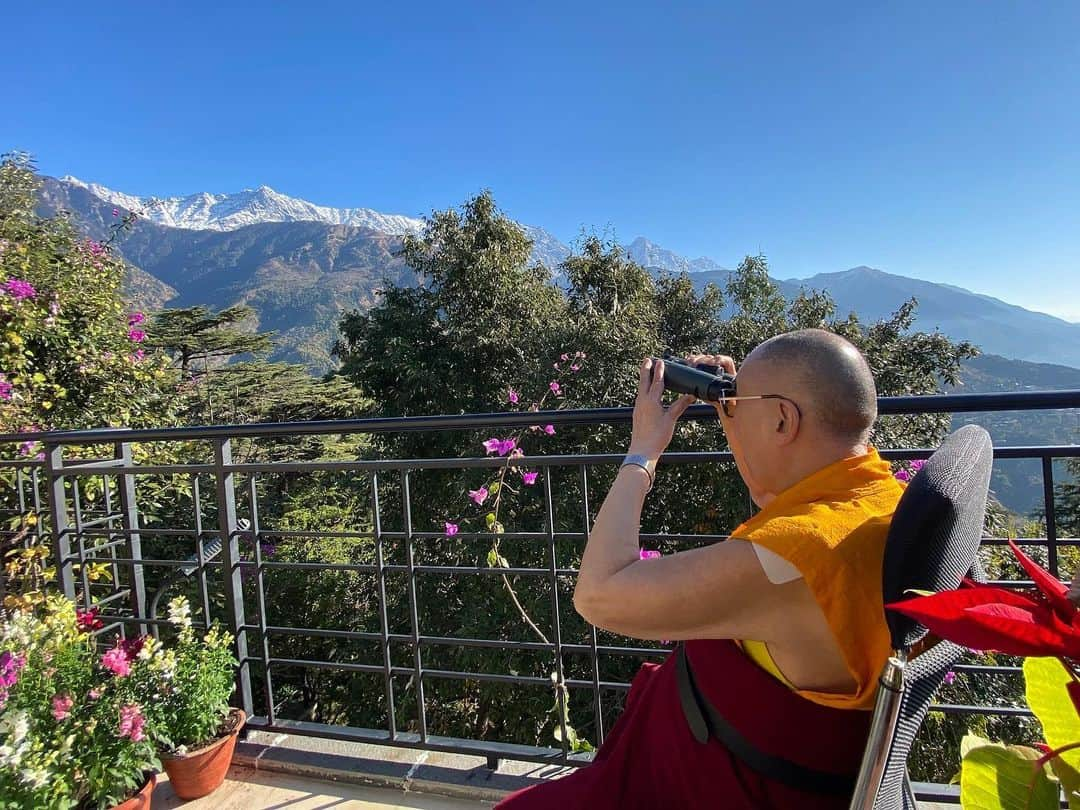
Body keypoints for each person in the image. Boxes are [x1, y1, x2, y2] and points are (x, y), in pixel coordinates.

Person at [494, 329, 906, 809]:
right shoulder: (877, 498)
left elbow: (599, 594)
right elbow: (772, 493)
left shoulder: (797, 555)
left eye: (742, 401)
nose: (733, 407)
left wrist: (642, 453)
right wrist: (741, 416)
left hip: (721, 783)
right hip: (772, 759)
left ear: (783, 420)